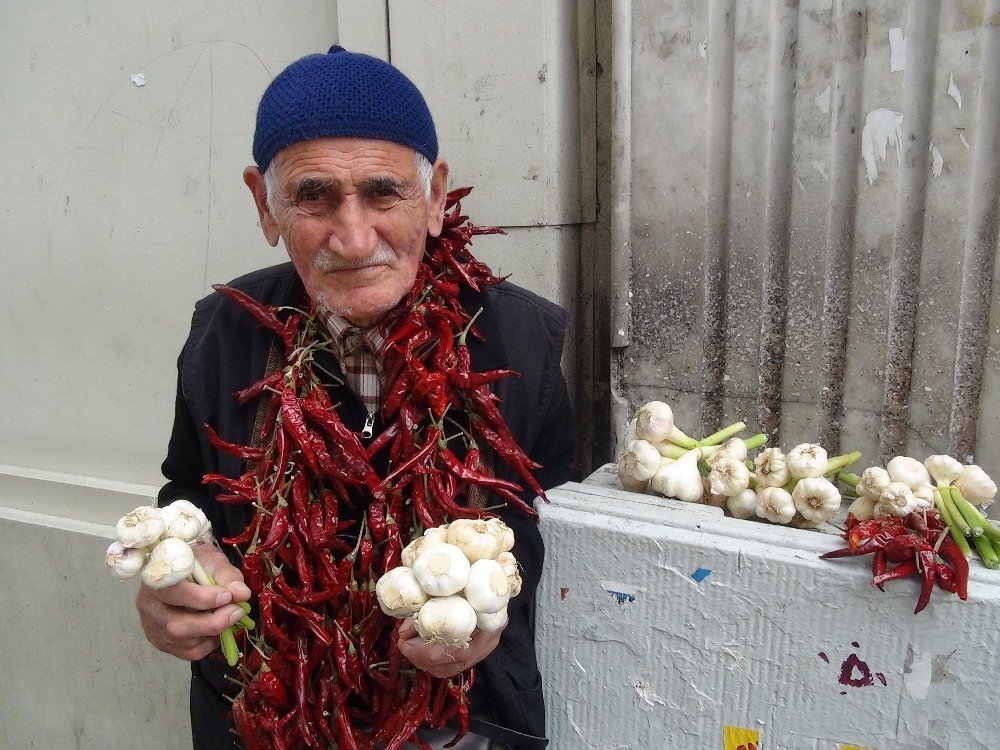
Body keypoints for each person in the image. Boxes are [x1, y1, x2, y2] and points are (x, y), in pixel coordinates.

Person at [136, 46, 577, 749]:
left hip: (464, 718)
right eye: (313, 196)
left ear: (434, 196)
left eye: (383, 192)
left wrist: (490, 611)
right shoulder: (225, 332)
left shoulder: (519, 343)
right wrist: (178, 580)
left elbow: (559, 534)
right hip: (271, 714)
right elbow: (186, 495)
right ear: (264, 203)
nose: (353, 237)